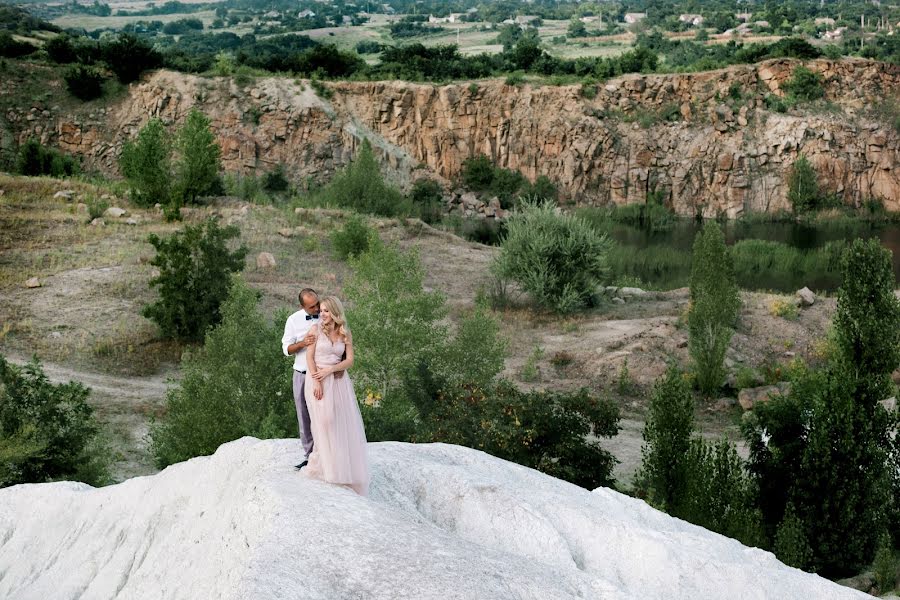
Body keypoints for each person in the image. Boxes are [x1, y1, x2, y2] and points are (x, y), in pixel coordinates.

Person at [303, 295, 370, 496]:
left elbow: (349, 360)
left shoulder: (344, 333)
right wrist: (317, 380)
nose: (322, 314)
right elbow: (309, 356)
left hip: (338, 381)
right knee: (324, 421)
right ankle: (324, 467)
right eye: (321, 311)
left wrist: (331, 370)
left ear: (335, 312)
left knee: (340, 422)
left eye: (326, 311)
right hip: (317, 380)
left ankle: (342, 469)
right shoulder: (315, 330)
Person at [281, 288, 321, 470]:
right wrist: (304, 343)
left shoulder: (326, 315)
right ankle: (309, 455)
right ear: (302, 306)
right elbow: (286, 349)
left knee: (324, 415)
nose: (317, 308)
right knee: (304, 416)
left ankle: (326, 453)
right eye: (312, 307)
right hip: (302, 374)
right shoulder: (293, 320)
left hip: (322, 374)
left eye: (317, 303)